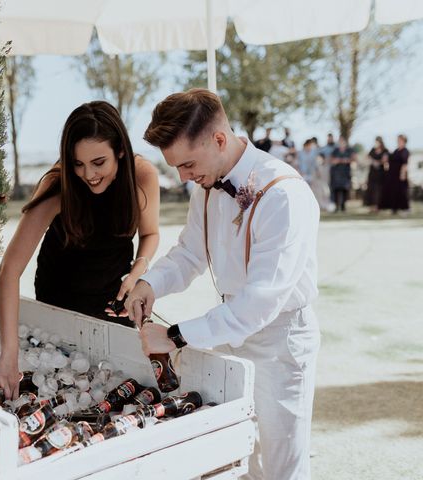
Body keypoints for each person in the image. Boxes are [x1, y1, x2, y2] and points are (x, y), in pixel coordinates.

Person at [125, 89, 320, 480]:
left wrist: (176, 335)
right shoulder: (206, 186)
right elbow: (189, 254)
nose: (183, 177)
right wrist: (150, 283)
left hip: (280, 339)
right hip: (231, 332)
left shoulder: (283, 194)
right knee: (237, 451)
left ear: (218, 139)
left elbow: (260, 303)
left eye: (187, 164)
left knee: (281, 464)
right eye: (176, 167)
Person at [0, 101, 160, 399]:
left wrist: (137, 272)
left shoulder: (143, 176)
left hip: (115, 296)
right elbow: (9, 271)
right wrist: (9, 353)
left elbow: (150, 234)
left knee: (112, 382)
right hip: (59, 298)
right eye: (78, 163)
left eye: (99, 162)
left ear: (120, 151)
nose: (89, 175)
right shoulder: (58, 185)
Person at [380, 134, 410, 214]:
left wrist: (403, 174)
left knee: (402, 192)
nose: (398, 142)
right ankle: (394, 208)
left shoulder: (405, 151)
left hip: (400, 174)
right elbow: (389, 160)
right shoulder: (396, 151)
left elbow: (404, 163)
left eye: (400, 140)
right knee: (393, 192)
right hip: (392, 175)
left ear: (404, 141)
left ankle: (405, 209)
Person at [330, 136, 356, 212]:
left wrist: (346, 160)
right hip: (336, 172)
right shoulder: (335, 150)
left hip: (345, 172)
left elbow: (353, 159)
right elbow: (331, 160)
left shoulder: (349, 150)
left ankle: (343, 206)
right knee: (336, 190)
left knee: (345, 189)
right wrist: (338, 160)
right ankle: (336, 206)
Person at [363, 136, 389, 213]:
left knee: (379, 190)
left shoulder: (385, 150)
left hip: (380, 173)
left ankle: (378, 207)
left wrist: (377, 162)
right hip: (372, 173)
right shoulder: (372, 150)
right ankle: (372, 207)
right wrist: (372, 161)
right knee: (371, 189)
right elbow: (367, 157)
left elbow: (385, 161)